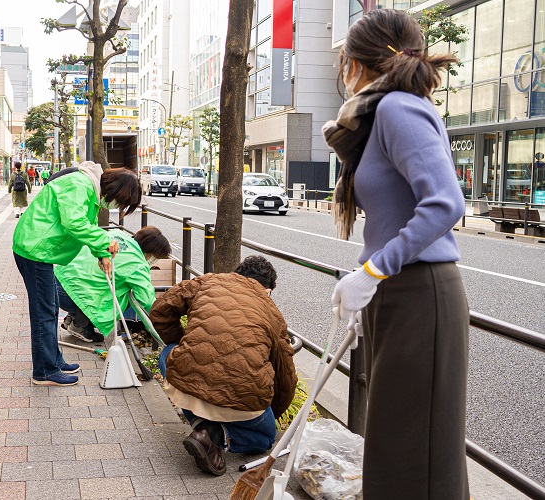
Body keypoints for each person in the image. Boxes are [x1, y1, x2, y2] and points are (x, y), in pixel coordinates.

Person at [323, 9, 468, 499]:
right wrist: (371, 281)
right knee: (399, 448)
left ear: (357, 63)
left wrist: (373, 270)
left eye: (343, 58)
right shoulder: (386, 111)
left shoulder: (395, 110)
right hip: (402, 292)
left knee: (413, 455)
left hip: (417, 293)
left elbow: (446, 202)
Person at [149, 256, 297, 476]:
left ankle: (202, 426)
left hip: (188, 385)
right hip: (244, 401)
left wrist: (184, 344)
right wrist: (270, 412)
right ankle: (214, 434)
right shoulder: (272, 312)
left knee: (168, 354)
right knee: (266, 438)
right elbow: (285, 375)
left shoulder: (206, 282)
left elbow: (160, 310)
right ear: (267, 290)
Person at [12, 162, 142, 386]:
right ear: (116, 190)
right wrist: (105, 242)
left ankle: (54, 361)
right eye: (120, 202)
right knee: (44, 312)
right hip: (34, 250)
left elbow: (87, 227)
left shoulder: (89, 189)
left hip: (41, 250)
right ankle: (44, 372)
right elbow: (75, 223)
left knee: (51, 308)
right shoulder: (79, 185)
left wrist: (101, 253)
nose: (116, 206)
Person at [54, 226, 171, 343]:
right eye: (156, 258)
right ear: (150, 252)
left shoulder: (116, 234)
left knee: (99, 281)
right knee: (124, 297)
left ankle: (73, 317)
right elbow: (147, 301)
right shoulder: (137, 265)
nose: (154, 261)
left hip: (57, 277)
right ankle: (80, 326)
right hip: (69, 295)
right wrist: (164, 329)